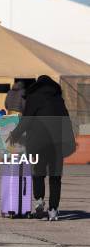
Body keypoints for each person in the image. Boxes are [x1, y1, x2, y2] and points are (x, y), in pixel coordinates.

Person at [10, 75, 75, 221]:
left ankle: (39, 200)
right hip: (57, 142)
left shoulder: (34, 97)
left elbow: (27, 120)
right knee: (55, 176)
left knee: (38, 172)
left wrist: (15, 134)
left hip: (39, 141)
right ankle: (53, 210)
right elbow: (66, 121)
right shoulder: (58, 99)